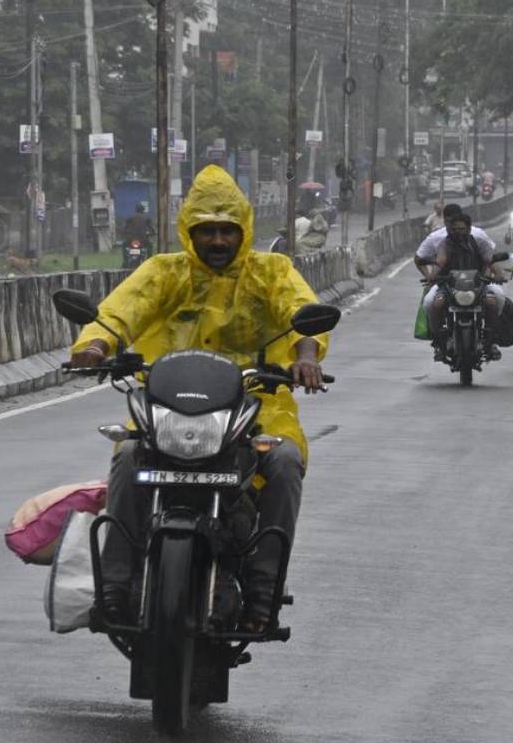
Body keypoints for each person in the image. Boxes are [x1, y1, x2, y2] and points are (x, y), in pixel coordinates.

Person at [67, 165, 331, 633]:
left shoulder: (271, 271)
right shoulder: (164, 271)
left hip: (255, 405)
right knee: (127, 456)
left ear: (243, 231)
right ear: (189, 232)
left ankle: (263, 591)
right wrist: (95, 346)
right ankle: (114, 588)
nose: (217, 240)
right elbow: (121, 310)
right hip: (168, 407)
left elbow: (301, 311)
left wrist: (305, 355)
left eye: (227, 230)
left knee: (285, 462)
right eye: (206, 230)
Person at [415, 212, 513, 359]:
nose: (458, 232)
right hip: (448, 285)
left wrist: (497, 275)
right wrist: (433, 276)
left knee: (494, 300)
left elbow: (489, 260)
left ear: (468, 229)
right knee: (433, 303)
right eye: (455, 229)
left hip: (479, 285)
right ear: (449, 229)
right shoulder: (444, 244)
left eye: (462, 229)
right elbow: (440, 261)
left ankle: (490, 339)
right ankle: (439, 341)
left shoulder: (479, 242)